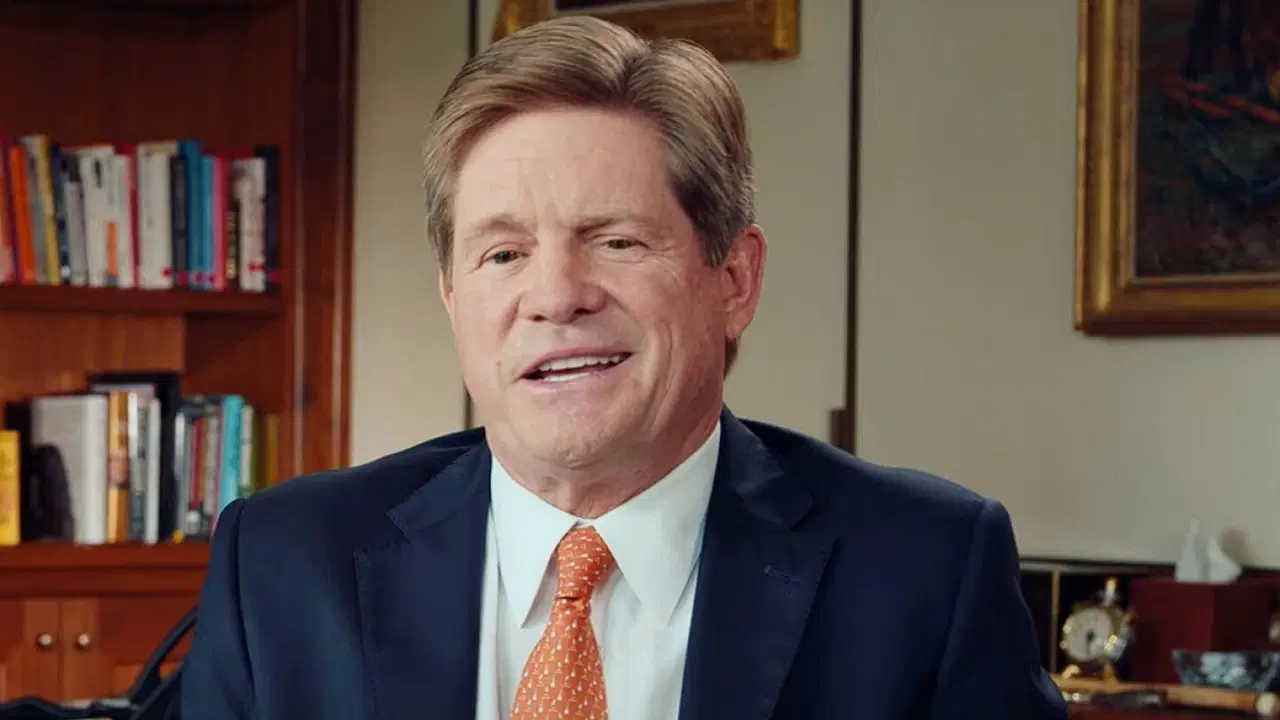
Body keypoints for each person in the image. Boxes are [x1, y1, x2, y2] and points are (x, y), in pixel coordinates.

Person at [179, 14, 1069, 720]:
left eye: (615, 241)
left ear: (735, 280)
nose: (555, 297)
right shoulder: (288, 562)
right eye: (503, 254)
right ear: (452, 297)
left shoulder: (925, 569)